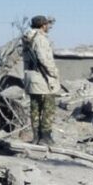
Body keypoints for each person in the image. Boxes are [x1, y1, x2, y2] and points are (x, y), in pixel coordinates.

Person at [23, 15, 60, 146]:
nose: (48, 26)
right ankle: (45, 137)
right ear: (43, 25)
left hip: (31, 77)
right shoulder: (40, 39)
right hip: (42, 77)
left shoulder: (28, 38)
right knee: (48, 107)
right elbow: (43, 59)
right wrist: (54, 73)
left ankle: (36, 137)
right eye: (47, 24)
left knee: (35, 108)